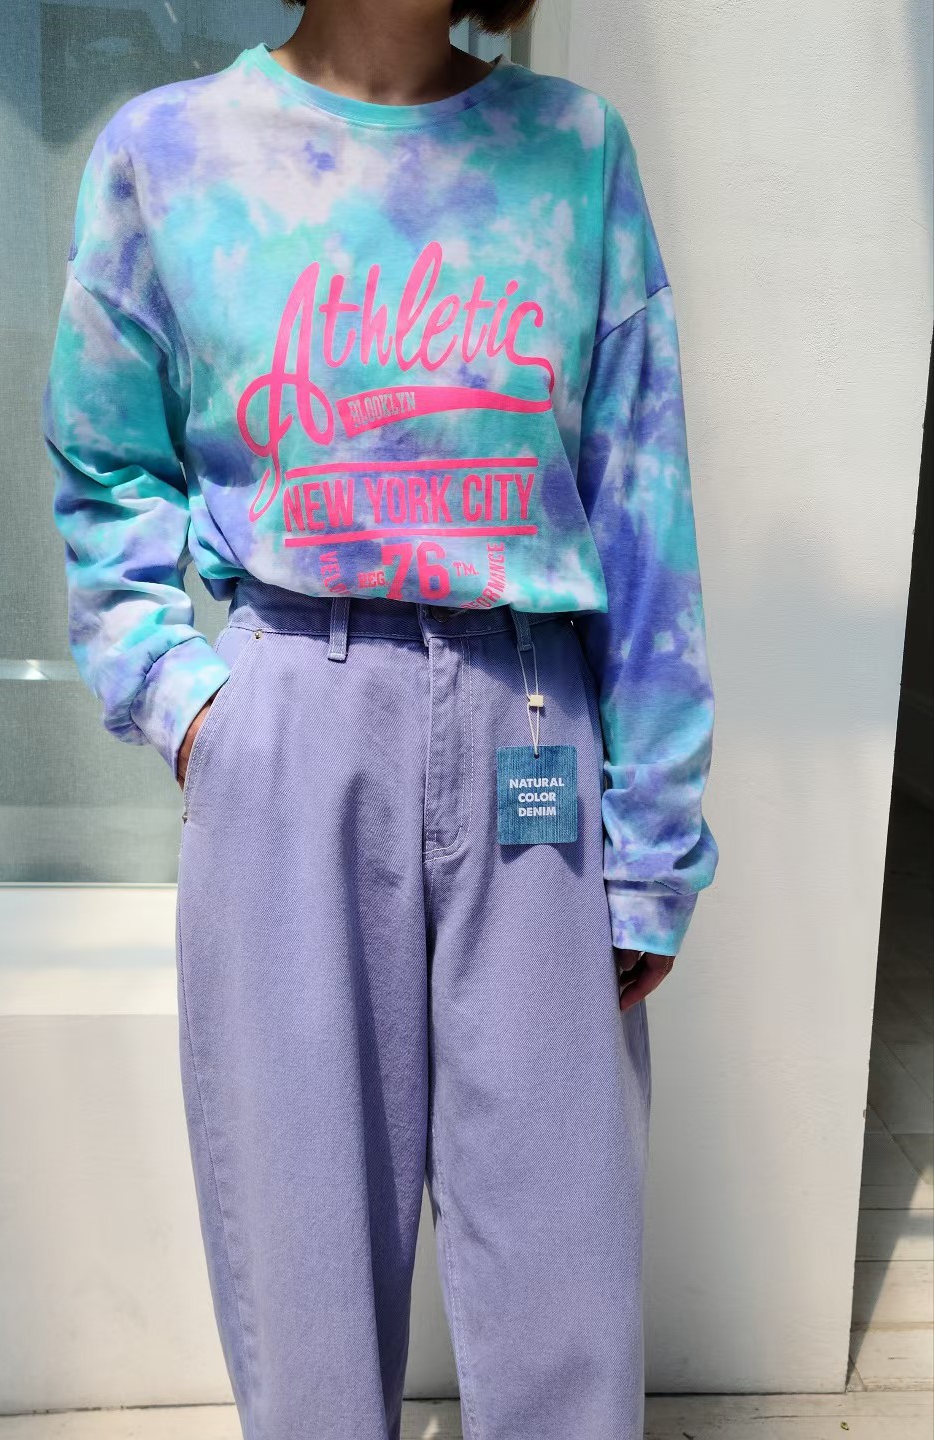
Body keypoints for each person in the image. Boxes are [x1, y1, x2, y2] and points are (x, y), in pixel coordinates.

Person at [40, 1, 718, 1436]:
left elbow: (642, 502)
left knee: (564, 1260)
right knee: (305, 1257)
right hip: (293, 719)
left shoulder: (573, 150)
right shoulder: (170, 153)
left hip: (532, 716)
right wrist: (187, 703)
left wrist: (655, 838)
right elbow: (106, 470)